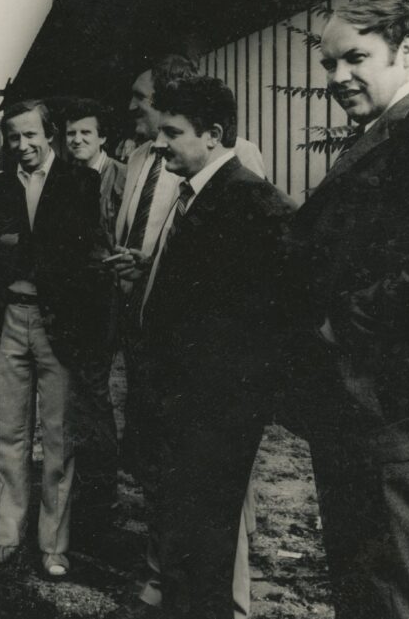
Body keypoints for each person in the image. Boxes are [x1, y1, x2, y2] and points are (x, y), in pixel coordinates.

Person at [285, 0, 409, 619]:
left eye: (355, 58)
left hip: (382, 391)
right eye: (329, 64)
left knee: (379, 578)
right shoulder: (389, 127)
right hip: (357, 390)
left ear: (406, 50)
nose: (338, 77)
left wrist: (339, 326)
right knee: (358, 569)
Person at [117, 76, 293, 618]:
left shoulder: (251, 202)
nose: (160, 143)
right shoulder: (196, 194)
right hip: (181, 407)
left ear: (213, 134)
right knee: (184, 545)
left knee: (205, 550)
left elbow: (267, 319)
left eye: (173, 132)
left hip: (213, 413)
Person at [0, 100, 103, 580]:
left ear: (49, 134)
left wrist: (20, 246)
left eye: (31, 134)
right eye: (14, 137)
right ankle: (7, 536)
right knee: (10, 433)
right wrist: (26, 249)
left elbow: (77, 253)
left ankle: (54, 545)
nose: (22, 145)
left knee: (57, 437)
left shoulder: (80, 181)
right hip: (12, 315)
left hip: (58, 323)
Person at [62, 98, 126, 527]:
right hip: (81, 297)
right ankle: (90, 486)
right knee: (84, 390)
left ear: (103, 137)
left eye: (86, 132)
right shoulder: (65, 179)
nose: (77, 139)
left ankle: (105, 489)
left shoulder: (122, 176)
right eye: (71, 133)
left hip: (117, 292)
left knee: (99, 390)